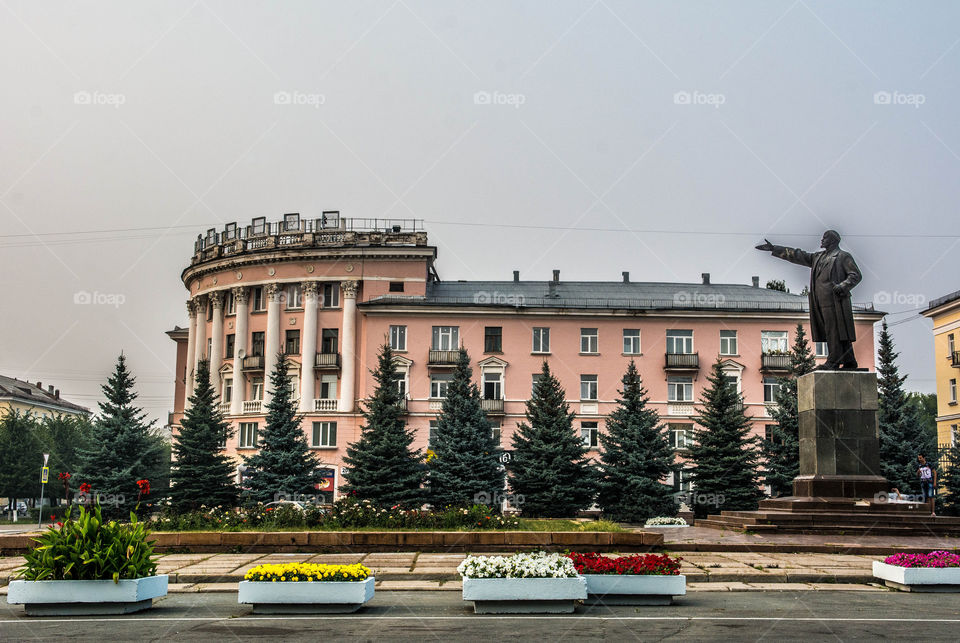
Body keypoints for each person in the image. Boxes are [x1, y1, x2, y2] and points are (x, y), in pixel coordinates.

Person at [755, 230, 862, 369]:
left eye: (825, 238)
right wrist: (775, 248)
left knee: (835, 330)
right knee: (835, 330)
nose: (822, 240)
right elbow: (797, 255)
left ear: (833, 240)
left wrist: (843, 286)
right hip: (820, 300)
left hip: (836, 300)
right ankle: (849, 361)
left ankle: (834, 361)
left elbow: (855, 275)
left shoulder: (842, 256)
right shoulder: (818, 257)